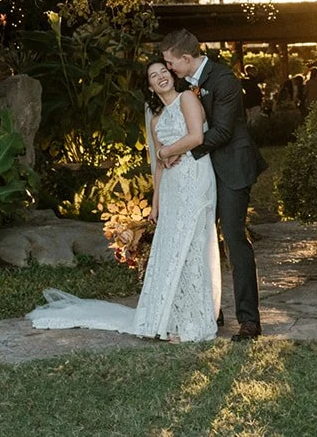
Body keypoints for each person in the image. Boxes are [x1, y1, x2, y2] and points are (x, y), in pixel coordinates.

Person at [27, 59, 221, 342]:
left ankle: (194, 321)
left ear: (172, 75)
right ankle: (168, 319)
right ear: (151, 87)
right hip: (172, 187)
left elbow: (196, 137)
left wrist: (168, 150)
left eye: (163, 72)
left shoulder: (187, 100)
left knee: (193, 246)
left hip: (196, 178)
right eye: (154, 76)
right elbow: (158, 164)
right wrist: (156, 202)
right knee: (171, 250)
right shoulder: (156, 120)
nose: (161, 78)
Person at [160, 28, 269, 341]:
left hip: (233, 168)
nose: (169, 69)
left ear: (185, 58)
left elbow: (222, 132)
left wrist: (181, 151)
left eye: (171, 63)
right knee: (203, 238)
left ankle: (249, 321)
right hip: (205, 171)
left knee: (234, 239)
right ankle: (211, 309)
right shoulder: (188, 84)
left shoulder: (224, 80)